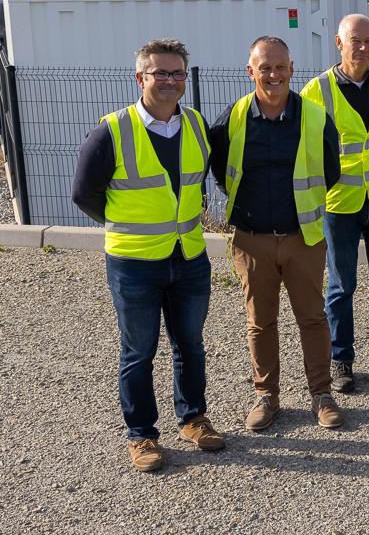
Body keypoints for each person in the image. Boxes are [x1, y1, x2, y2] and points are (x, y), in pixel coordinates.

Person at [72, 38, 225, 472]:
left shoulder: (195, 124)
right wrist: (127, 224)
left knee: (190, 345)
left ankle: (193, 418)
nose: (171, 81)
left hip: (189, 256)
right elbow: (84, 194)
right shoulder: (111, 131)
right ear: (140, 78)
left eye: (178, 73)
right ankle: (141, 436)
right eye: (160, 73)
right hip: (134, 262)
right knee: (138, 351)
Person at [210, 36, 343, 430]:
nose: (273, 74)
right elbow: (221, 170)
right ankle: (266, 397)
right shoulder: (231, 118)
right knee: (260, 321)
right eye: (264, 67)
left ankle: (322, 394)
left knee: (313, 319)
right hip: (251, 240)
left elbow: (331, 171)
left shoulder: (316, 117)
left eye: (280, 66)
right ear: (250, 71)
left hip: (304, 237)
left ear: (291, 68)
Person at [301, 14, 369, 393]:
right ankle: (342, 357)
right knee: (341, 285)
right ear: (339, 43)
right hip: (340, 201)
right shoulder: (315, 92)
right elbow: (312, 149)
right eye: (355, 41)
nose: (363, 48)